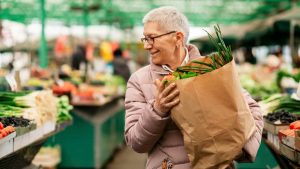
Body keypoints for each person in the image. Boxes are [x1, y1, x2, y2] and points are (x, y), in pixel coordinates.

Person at [124, 6, 263, 169]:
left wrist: (241, 150)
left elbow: (253, 110)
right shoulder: (140, 80)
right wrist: (157, 109)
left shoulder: (212, 69)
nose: (147, 46)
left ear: (178, 38)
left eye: (151, 38)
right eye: (145, 39)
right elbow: (135, 142)